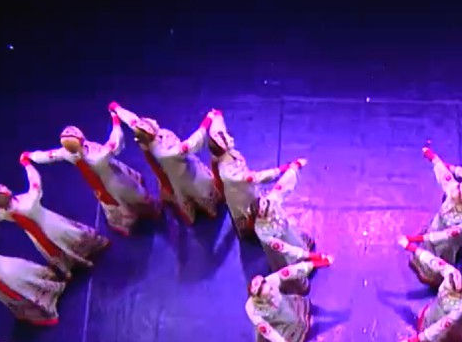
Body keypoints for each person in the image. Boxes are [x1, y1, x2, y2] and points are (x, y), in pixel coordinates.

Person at [0, 153, 109, 279]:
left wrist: (28, 166)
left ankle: (90, 250)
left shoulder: (28, 201)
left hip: (51, 225)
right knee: (51, 250)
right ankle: (69, 266)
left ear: (6, 194)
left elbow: (35, 183)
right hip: (37, 235)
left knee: (69, 235)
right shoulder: (1, 213)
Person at [27, 110, 158, 235]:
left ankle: (125, 220)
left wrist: (30, 156)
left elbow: (48, 156)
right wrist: (116, 122)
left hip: (98, 184)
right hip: (114, 179)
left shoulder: (66, 153)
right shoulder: (98, 155)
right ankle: (147, 209)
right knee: (132, 192)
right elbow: (115, 143)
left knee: (114, 203)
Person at [181, 109, 300, 237]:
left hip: (237, 189)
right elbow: (258, 177)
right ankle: (249, 233)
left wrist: (216, 116)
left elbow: (218, 128)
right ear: (223, 147)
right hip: (242, 195)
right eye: (227, 139)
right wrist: (285, 169)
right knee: (249, 212)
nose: (230, 138)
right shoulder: (232, 173)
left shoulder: (223, 150)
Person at [109, 102, 222, 224]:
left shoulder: (149, 135)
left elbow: (131, 120)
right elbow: (192, 143)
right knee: (199, 188)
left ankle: (193, 208)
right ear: (149, 131)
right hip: (185, 173)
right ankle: (209, 209)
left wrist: (117, 109)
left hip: (177, 169)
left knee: (184, 190)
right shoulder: (165, 152)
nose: (152, 121)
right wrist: (208, 120)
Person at [406, 145, 462, 286]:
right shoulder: (453, 189)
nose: (458, 190)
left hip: (448, 239)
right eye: (461, 187)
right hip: (438, 223)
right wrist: (432, 157)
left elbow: (445, 235)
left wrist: (416, 239)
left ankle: (433, 274)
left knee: (441, 253)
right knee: (428, 241)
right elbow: (444, 174)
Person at [246, 258, 333, 342]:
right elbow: (275, 338)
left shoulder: (272, 280)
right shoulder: (253, 311)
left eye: (271, 289)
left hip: (284, 306)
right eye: (268, 293)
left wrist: (323, 261)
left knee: (295, 316)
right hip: (273, 322)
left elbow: (294, 270)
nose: (272, 292)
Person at [395, 236, 462, 342]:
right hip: (437, 309)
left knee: (442, 338)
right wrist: (410, 247)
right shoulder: (451, 273)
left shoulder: (461, 306)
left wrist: (411, 341)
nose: (449, 281)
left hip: (450, 324)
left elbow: (437, 328)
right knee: (430, 318)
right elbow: (432, 261)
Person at [252, 159, 318, 276]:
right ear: (262, 216)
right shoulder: (262, 231)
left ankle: (302, 249)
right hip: (280, 242)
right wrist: (306, 255)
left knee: (296, 239)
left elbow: (282, 186)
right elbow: (285, 249)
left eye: (267, 203)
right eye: (266, 209)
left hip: (286, 229)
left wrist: (294, 168)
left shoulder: (272, 201)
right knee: (285, 258)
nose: (270, 207)